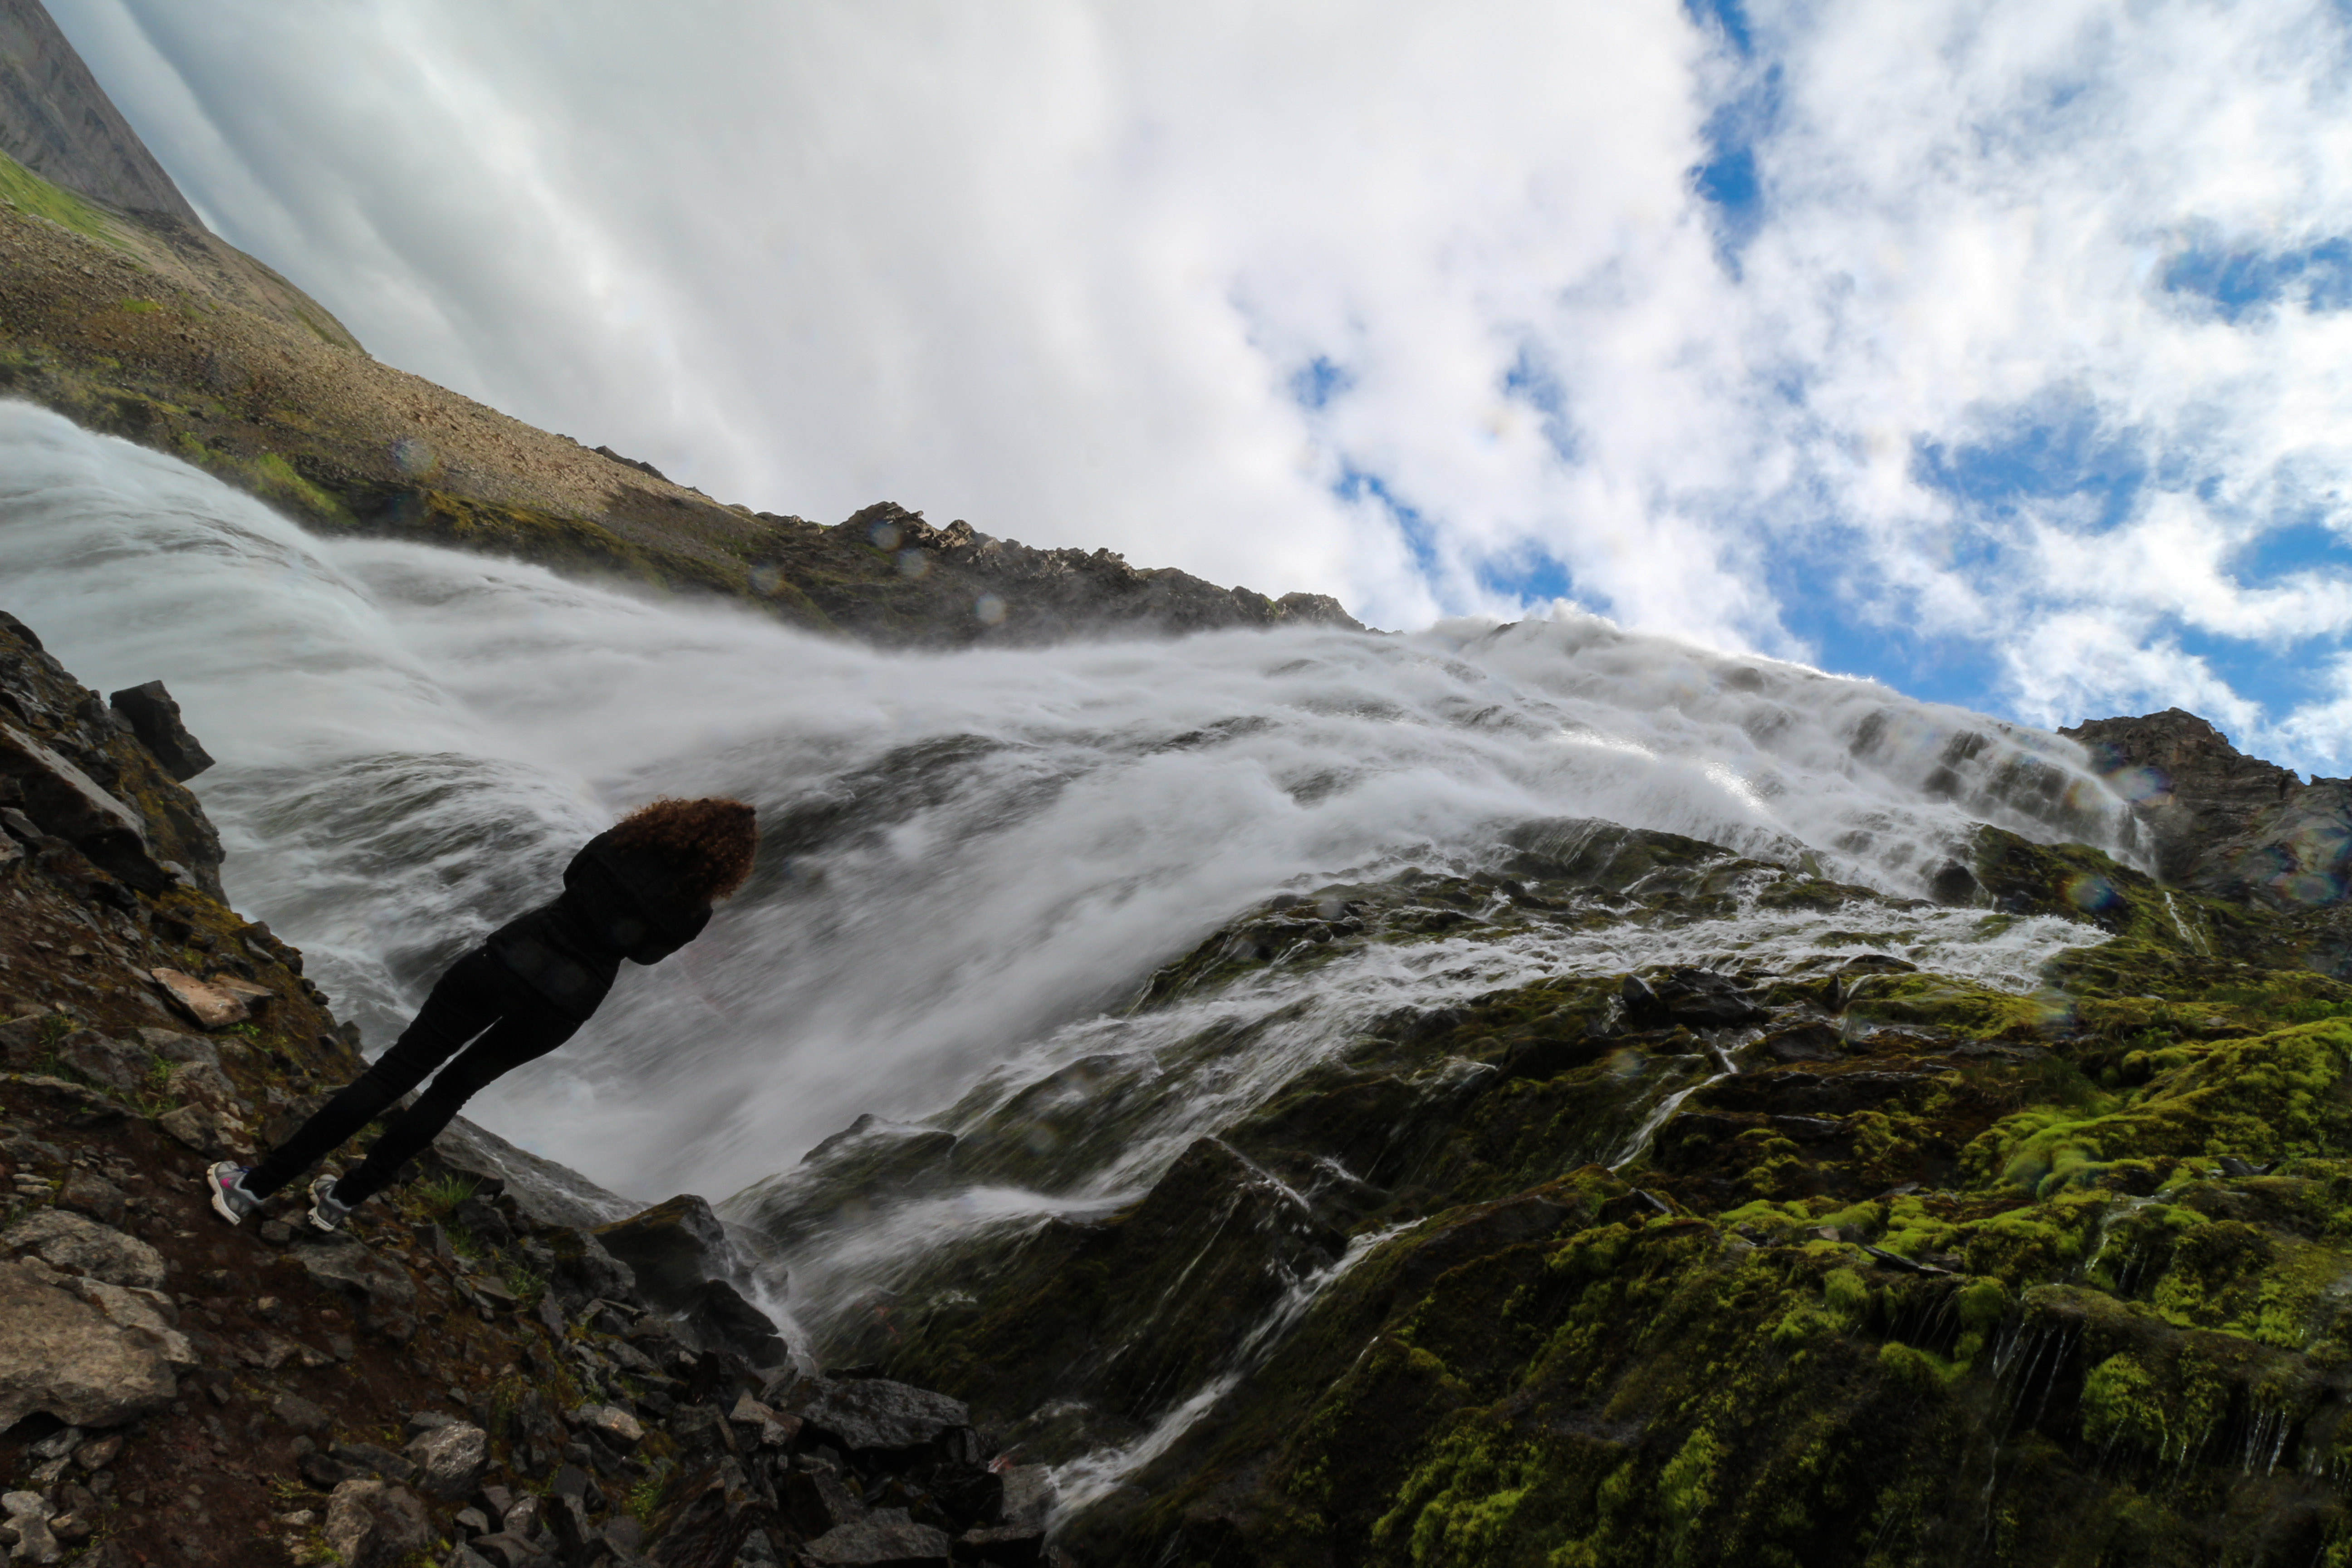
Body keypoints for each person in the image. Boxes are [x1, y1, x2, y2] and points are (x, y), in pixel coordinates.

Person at [206, 796, 758, 1232]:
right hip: (561, 1006)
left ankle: (256, 1186)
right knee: (450, 1094)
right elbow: (645, 954)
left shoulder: (626, 842)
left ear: (678, 818)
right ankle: (341, 1202)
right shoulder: (694, 908)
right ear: (726, 867)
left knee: (395, 1072)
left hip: (509, 959)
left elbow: (572, 876)